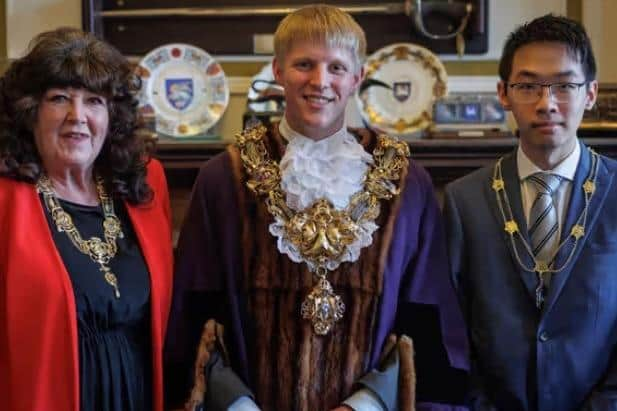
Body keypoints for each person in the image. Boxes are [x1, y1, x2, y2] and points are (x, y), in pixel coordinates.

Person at [165, 5, 468, 411]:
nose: (320, 81)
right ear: (278, 71)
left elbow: (427, 318)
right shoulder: (224, 178)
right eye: (304, 64)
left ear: (358, 77)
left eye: (337, 67)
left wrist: (366, 403)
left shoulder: (406, 182)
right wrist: (236, 403)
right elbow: (196, 311)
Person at [444, 14, 617, 410]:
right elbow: (451, 332)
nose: (546, 103)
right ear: (503, 93)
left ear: (589, 93)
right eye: (528, 86)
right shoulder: (464, 200)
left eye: (564, 85)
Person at [0, 28, 174, 411]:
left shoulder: (145, 188)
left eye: (94, 101)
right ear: (30, 111)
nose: (77, 116)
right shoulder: (5, 200)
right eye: (59, 98)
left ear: (112, 116)